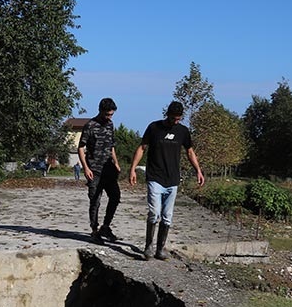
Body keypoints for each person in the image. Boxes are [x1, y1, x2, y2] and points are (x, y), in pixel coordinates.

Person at [128, 100, 205, 260]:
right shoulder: (154, 128)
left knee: (167, 216)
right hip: (155, 177)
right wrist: (133, 168)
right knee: (154, 213)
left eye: (178, 119)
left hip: (173, 179)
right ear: (167, 114)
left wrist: (198, 170)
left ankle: (160, 249)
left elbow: (190, 152)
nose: (175, 121)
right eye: (173, 118)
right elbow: (142, 148)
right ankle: (149, 246)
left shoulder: (183, 131)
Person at [78, 98, 122, 243]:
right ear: (101, 111)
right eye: (107, 114)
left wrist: (116, 162)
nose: (109, 117)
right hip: (94, 170)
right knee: (95, 201)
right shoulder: (90, 126)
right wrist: (85, 167)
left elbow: (112, 146)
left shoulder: (110, 125)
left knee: (115, 197)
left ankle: (106, 226)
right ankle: (94, 230)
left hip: (108, 169)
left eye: (111, 115)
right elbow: (80, 147)